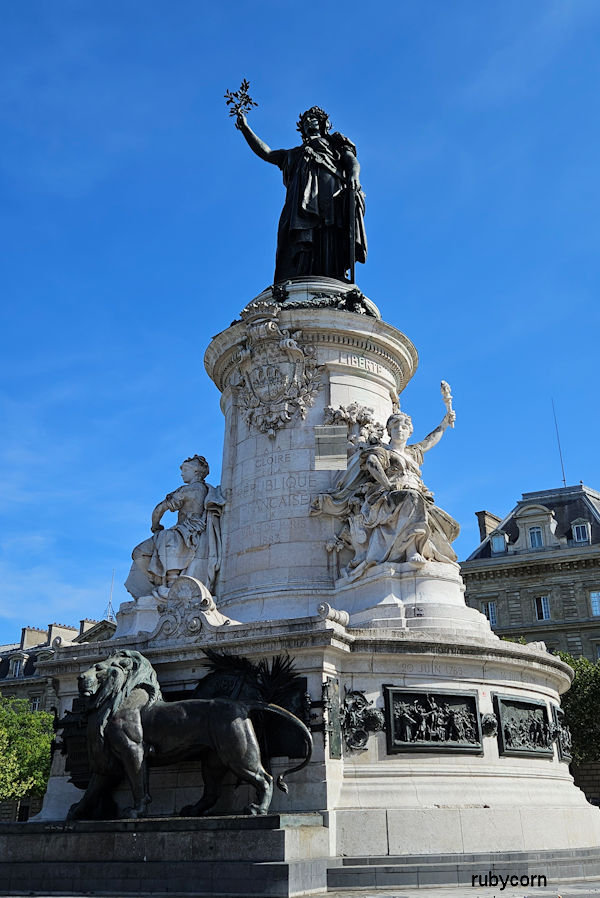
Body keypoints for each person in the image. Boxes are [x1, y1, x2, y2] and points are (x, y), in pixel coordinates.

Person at [312, 405, 459, 581]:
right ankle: (412, 550)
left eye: (404, 427)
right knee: (412, 499)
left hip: (416, 496)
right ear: (389, 431)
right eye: (395, 427)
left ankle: (422, 551)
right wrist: (388, 485)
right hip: (390, 496)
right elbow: (372, 463)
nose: (400, 431)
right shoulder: (384, 451)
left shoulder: (413, 453)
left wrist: (444, 423)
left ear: (410, 432)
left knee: (452, 526)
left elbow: (429, 441)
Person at [235, 106, 367, 283]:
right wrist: (245, 128)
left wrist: (353, 176)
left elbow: (352, 161)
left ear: (324, 123)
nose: (308, 121)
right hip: (300, 200)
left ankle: (333, 273)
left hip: (330, 192)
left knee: (329, 230)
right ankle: (301, 273)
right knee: (303, 233)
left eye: (312, 118)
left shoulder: (335, 143)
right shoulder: (294, 154)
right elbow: (266, 153)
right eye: (305, 120)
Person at [125, 455, 225, 599]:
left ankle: (168, 584)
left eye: (185, 469)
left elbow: (159, 509)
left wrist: (156, 526)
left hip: (184, 532)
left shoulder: (187, 490)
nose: (182, 473)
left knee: (139, 552)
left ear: (196, 471)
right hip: (193, 531)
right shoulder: (207, 489)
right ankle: (164, 582)